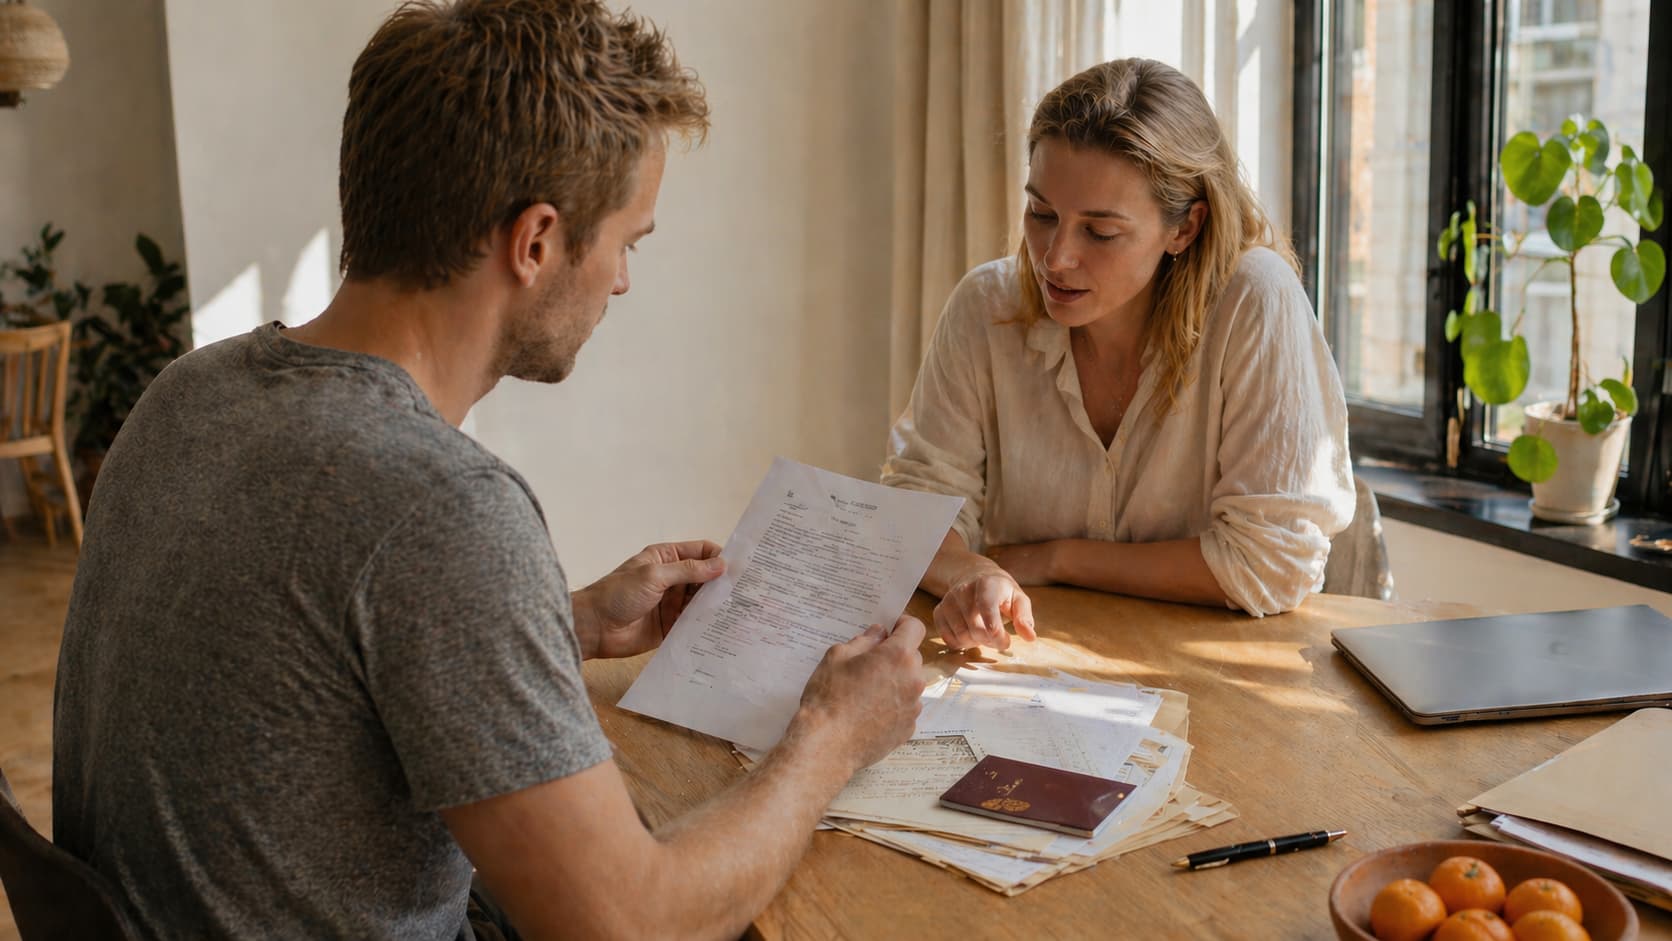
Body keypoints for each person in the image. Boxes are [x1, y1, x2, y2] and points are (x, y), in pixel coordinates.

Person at [51, 2, 926, 939]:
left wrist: (568, 619)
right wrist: (829, 738)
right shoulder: (441, 509)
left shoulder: (189, 392)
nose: (623, 279)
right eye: (628, 241)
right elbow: (632, 926)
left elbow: (303, 665)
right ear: (537, 239)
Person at [882, 58, 1355, 652]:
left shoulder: (1254, 300)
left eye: (1099, 232)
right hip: (1033, 664)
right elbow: (914, 510)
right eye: (1042, 214)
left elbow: (1270, 564)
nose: (1055, 258)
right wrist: (972, 570)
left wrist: (1056, 560)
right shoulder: (985, 305)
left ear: (1185, 228)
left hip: (1217, 669)